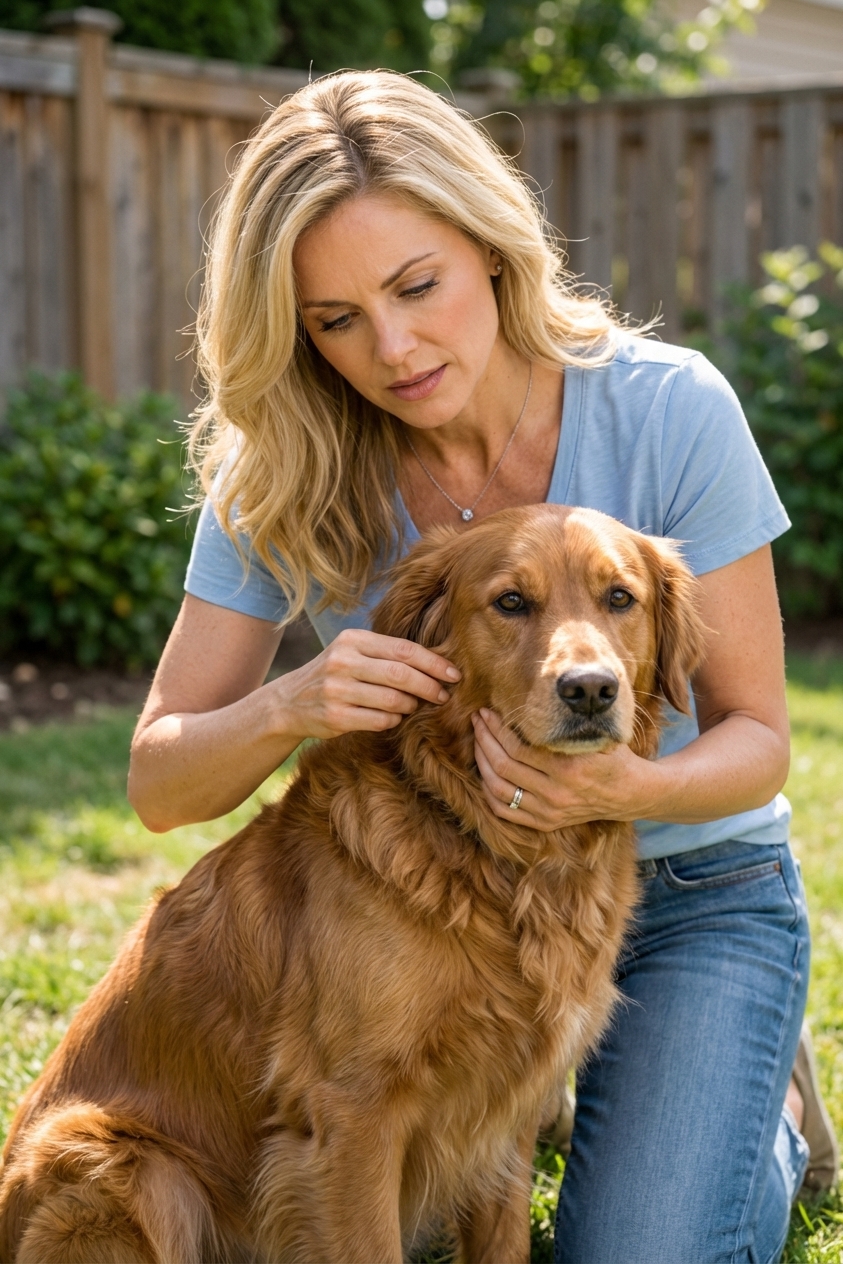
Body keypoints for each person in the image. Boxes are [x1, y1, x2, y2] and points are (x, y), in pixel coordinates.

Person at [127, 70, 837, 1263]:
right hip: (456, 898)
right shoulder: (290, 469)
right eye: (334, 319)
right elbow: (160, 783)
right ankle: (571, 1082)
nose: (392, 347)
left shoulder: (670, 410)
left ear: (493, 249)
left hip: (690, 891)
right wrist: (291, 702)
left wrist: (631, 790)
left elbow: (761, 735)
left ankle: (739, 1081)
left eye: (418, 286)